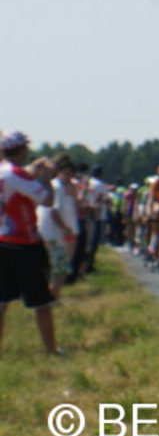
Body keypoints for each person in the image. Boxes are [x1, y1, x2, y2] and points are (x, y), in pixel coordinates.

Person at [0, 131, 61, 356]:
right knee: (41, 302)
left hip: (3, 239)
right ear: (22, 149)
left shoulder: (4, 171)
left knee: (2, 300)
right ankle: (51, 350)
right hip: (24, 242)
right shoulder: (17, 175)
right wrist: (48, 177)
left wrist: (33, 171)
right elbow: (48, 200)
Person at [39, 155, 80, 300]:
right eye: (65, 173)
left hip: (52, 232)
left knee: (57, 268)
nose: (68, 176)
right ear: (58, 172)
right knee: (60, 268)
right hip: (54, 234)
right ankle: (52, 298)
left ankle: (52, 296)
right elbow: (54, 212)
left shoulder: (59, 187)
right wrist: (65, 228)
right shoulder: (58, 187)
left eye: (71, 174)